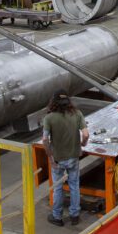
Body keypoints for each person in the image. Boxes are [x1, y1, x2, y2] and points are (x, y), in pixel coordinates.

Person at [41, 90, 89, 226]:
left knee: (58, 188)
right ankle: (74, 216)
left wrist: (50, 156)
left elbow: (45, 139)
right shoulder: (77, 114)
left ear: (53, 102)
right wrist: (82, 145)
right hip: (73, 157)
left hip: (57, 159)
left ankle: (57, 217)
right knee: (74, 186)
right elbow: (85, 134)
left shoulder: (49, 118)